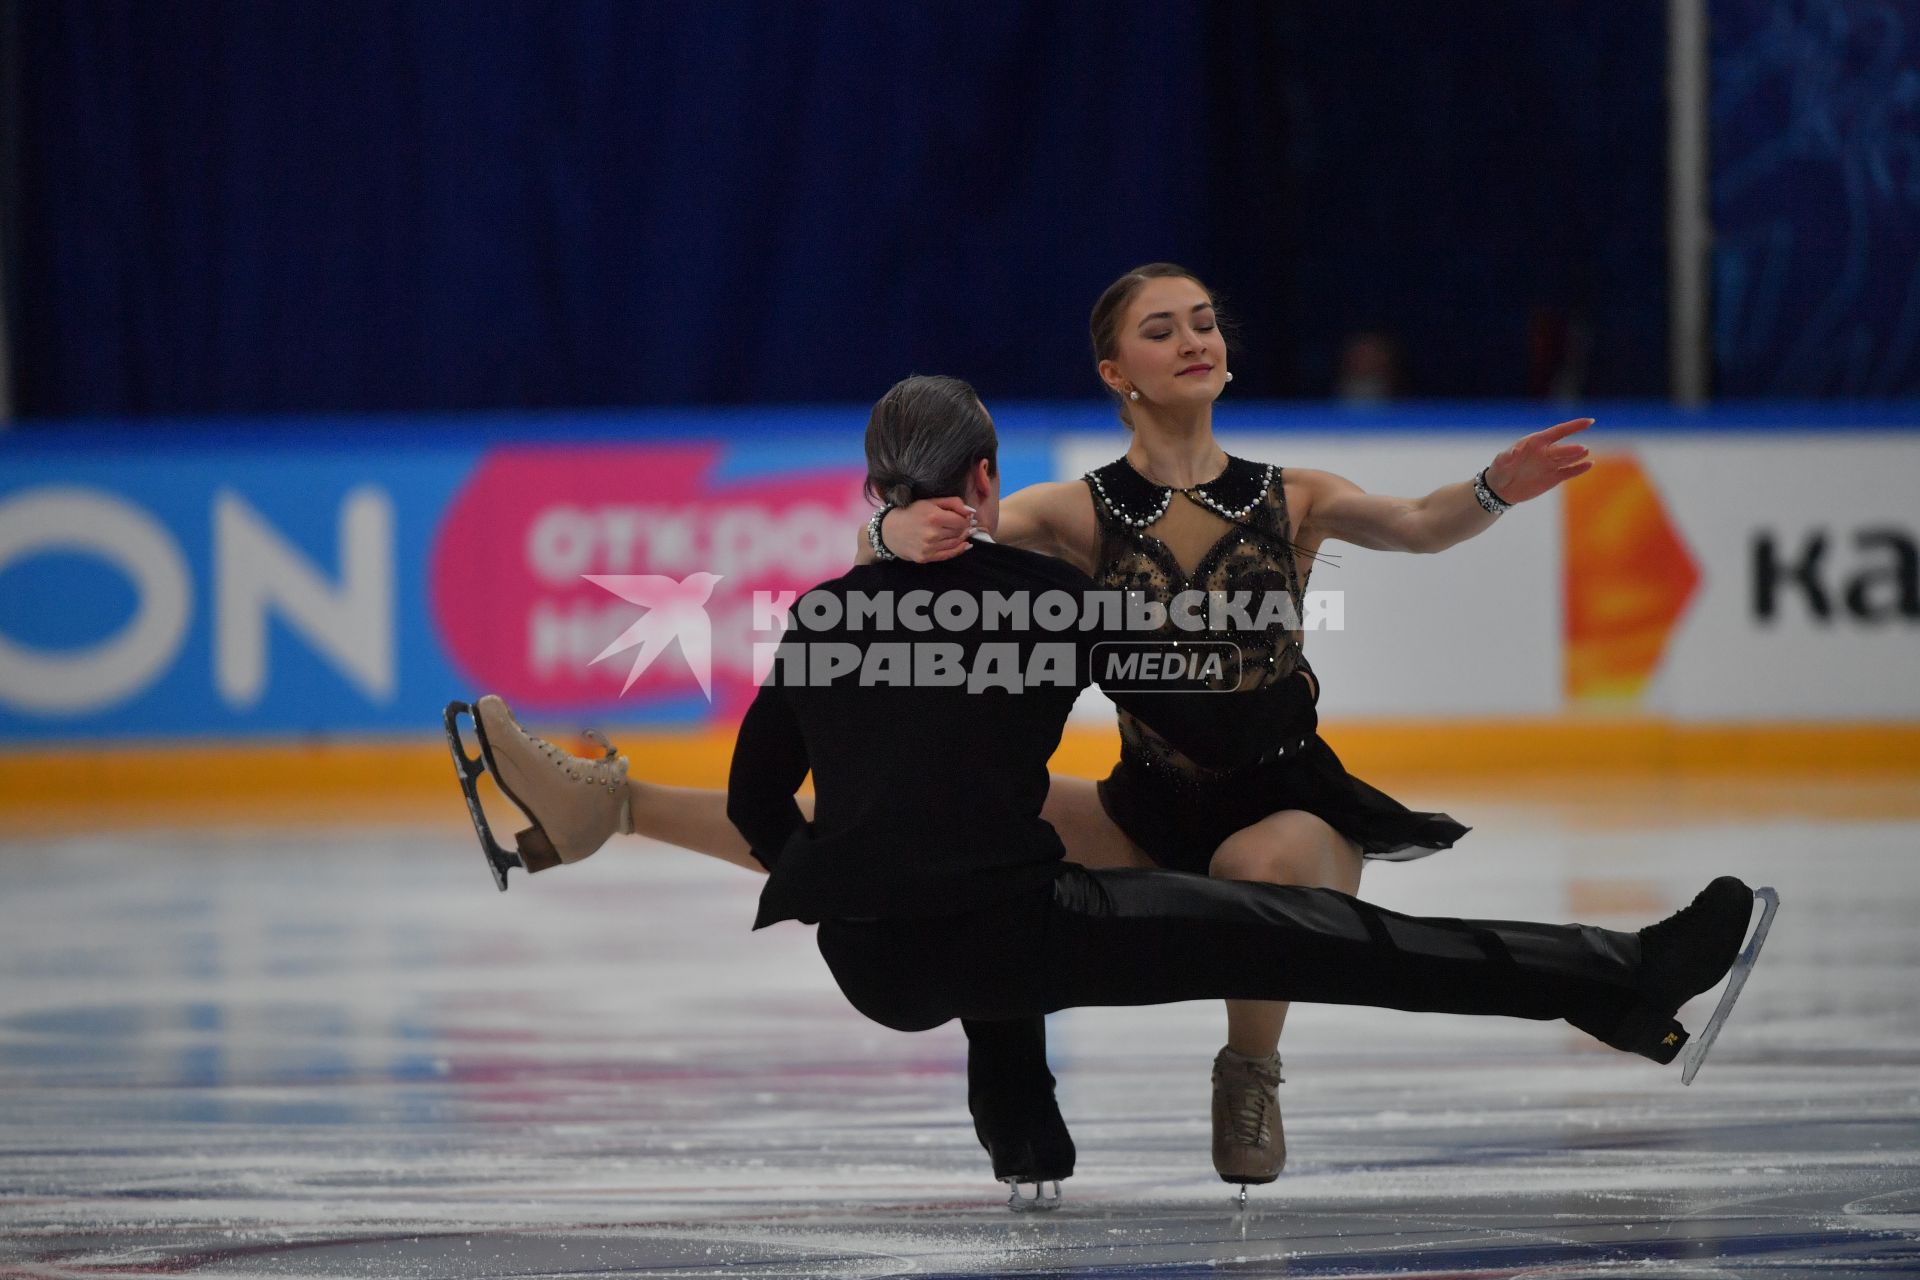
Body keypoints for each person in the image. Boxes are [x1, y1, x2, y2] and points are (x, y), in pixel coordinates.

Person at [450, 375, 1768, 1211]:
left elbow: (760, 812)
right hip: (1019, 932)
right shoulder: (1053, 597)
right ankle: (1621, 977)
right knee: (1341, 941)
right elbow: (1213, 727)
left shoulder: (816, 617)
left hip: (869, 968)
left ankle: (611, 811)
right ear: (985, 487)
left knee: (909, 835)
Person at [858, 263, 1594, 1186]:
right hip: (1148, 804)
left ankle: (1249, 1068)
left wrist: (1493, 487)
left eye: (1203, 323)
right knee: (978, 821)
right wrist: (888, 538)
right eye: (1161, 330)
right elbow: (911, 545)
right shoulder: (1074, 512)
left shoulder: (1296, 496)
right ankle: (1011, 1076)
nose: (1194, 341)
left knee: (1255, 869)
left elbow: (1415, 522)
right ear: (1114, 371)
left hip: (1291, 809)